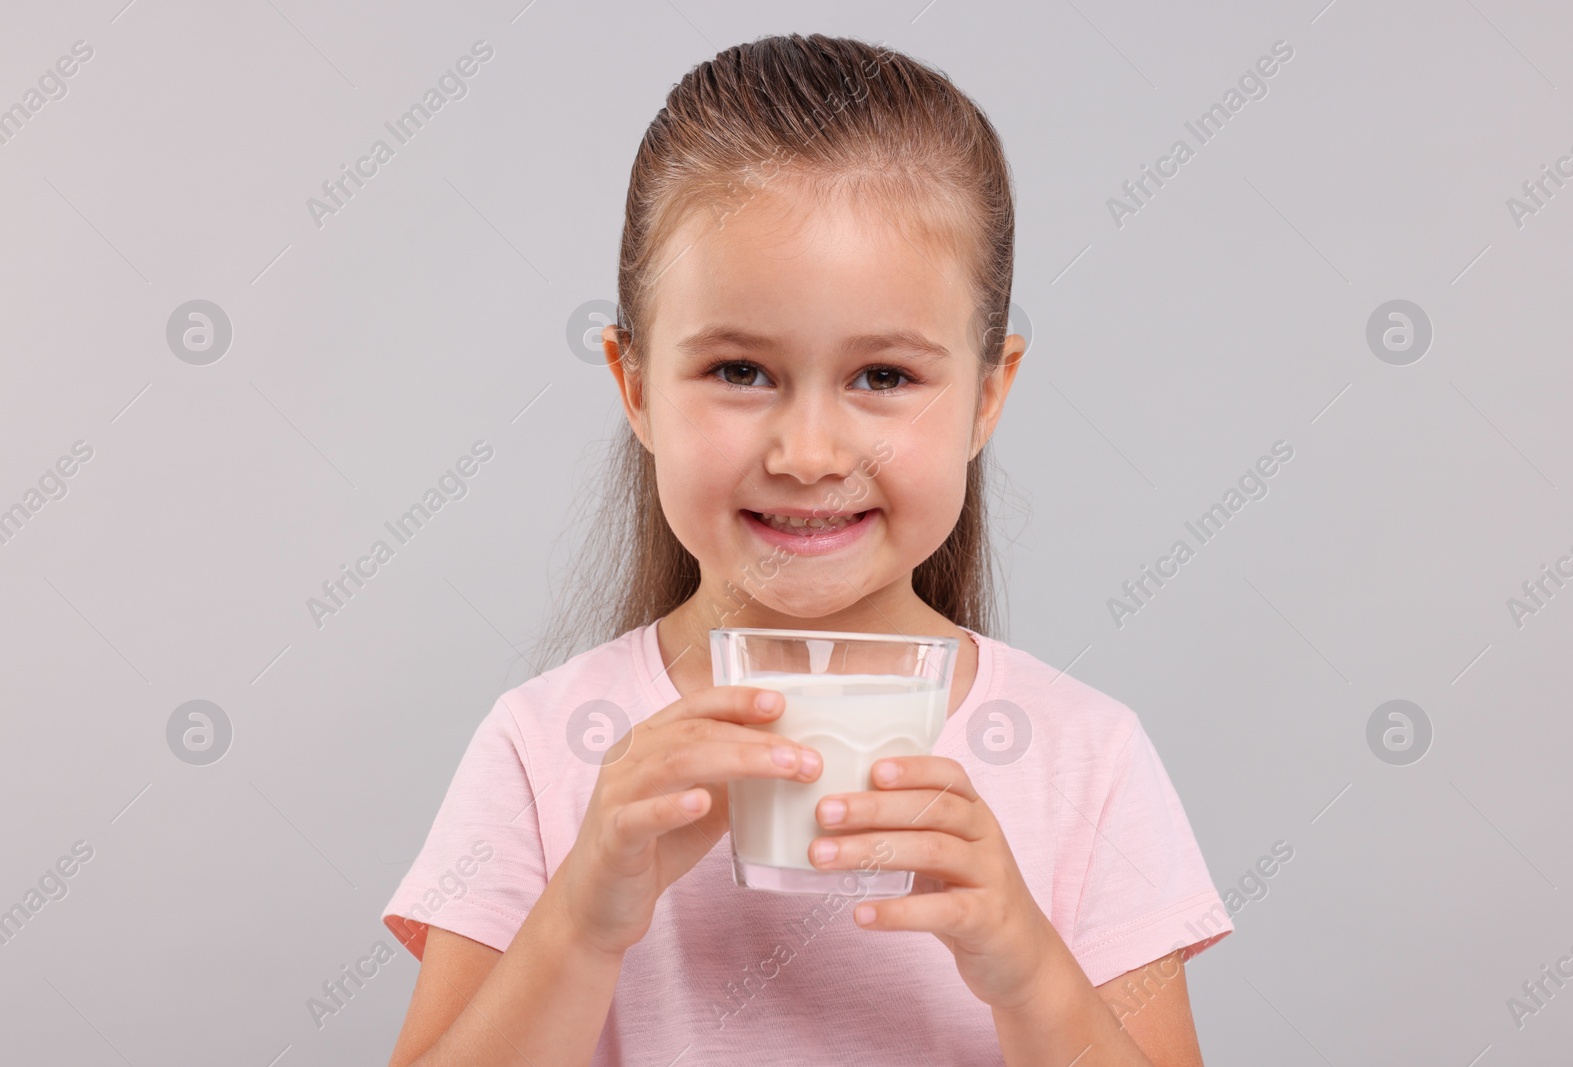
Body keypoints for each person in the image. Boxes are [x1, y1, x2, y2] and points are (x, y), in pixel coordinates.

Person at [381, 32, 1232, 1066]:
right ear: (636, 384)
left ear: (986, 396)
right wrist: (582, 917)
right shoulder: (545, 749)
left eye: (882, 376)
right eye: (740, 369)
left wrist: (1027, 965)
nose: (809, 451)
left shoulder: (1084, 761)